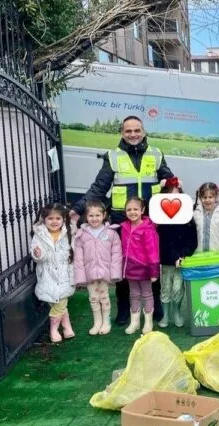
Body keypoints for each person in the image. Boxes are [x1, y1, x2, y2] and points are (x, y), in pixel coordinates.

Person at [69, 115, 174, 327]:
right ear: (122, 133)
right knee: (124, 264)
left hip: (150, 220)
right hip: (122, 221)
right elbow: (98, 189)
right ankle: (125, 307)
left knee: (151, 262)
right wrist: (77, 209)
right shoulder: (113, 156)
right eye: (128, 131)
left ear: (143, 132)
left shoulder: (156, 154)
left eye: (137, 130)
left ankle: (154, 306)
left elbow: (170, 183)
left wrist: (172, 189)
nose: (133, 134)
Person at [72, 201, 123, 336]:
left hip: (105, 272)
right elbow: (78, 257)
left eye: (97, 215)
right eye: (91, 216)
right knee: (93, 298)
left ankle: (106, 322)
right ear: (86, 217)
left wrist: (115, 272)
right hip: (90, 273)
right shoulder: (81, 235)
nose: (94, 219)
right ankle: (97, 322)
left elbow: (116, 255)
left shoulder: (111, 233)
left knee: (104, 296)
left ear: (104, 215)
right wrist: (80, 276)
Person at [30, 203, 75, 343]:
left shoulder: (68, 233)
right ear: (44, 219)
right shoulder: (39, 235)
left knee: (61, 300)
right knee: (56, 301)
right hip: (48, 274)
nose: (54, 222)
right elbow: (38, 256)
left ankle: (54, 329)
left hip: (64, 274)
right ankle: (65, 325)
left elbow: (73, 252)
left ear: (63, 219)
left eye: (58, 218)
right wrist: (38, 254)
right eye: (50, 218)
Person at [157, 178, 197, 328]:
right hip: (167, 260)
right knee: (166, 288)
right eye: (169, 195)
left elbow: (192, 240)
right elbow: (163, 240)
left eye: (177, 195)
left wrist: (184, 255)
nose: (174, 198)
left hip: (182, 260)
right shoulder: (160, 218)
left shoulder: (188, 218)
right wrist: (173, 256)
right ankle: (166, 315)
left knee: (178, 288)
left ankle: (177, 313)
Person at [120, 197, 160, 335]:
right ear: (125, 211)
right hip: (130, 269)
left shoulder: (148, 229)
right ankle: (135, 322)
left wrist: (154, 271)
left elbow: (153, 251)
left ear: (142, 210)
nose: (132, 212)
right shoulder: (124, 227)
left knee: (147, 294)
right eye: (129, 209)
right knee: (134, 294)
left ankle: (148, 322)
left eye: (135, 209)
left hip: (145, 269)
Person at [193, 182, 219, 252]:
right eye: (204, 197)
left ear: (216, 197)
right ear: (200, 198)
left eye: (210, 197)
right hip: (198, 257)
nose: (207, 200)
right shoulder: (196, 214)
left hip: (216, 257)